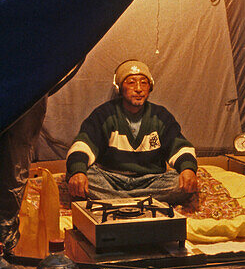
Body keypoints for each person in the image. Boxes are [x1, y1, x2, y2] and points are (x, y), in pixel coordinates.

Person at [66, 59, 198, 206]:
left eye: (144, 83)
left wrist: (187, 169)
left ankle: (117, 201)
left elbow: (180, 147)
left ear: (150, 88)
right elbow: (83, 144)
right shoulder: (105, 114)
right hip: (111, 179)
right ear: (120, 88)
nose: (138, 89)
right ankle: (144, 202)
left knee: (180, 182)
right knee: (79, 175)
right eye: (131, 82)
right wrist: (78, 172)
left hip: (151, 181)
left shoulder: (160, 115)